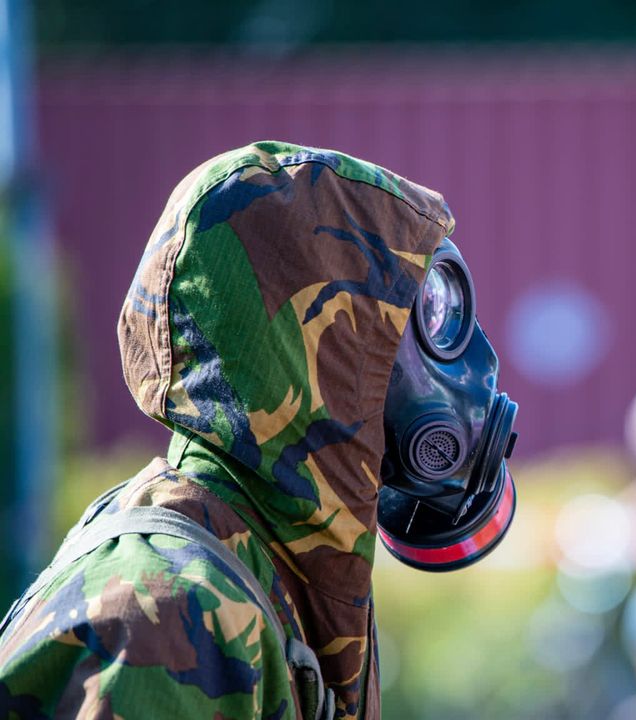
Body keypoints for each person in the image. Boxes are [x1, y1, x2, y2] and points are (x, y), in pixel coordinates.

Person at [0, 141, 519, 718]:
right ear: (336, 349)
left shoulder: (278, 567)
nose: (474, 360)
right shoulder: (163, 614)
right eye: (419, 312)